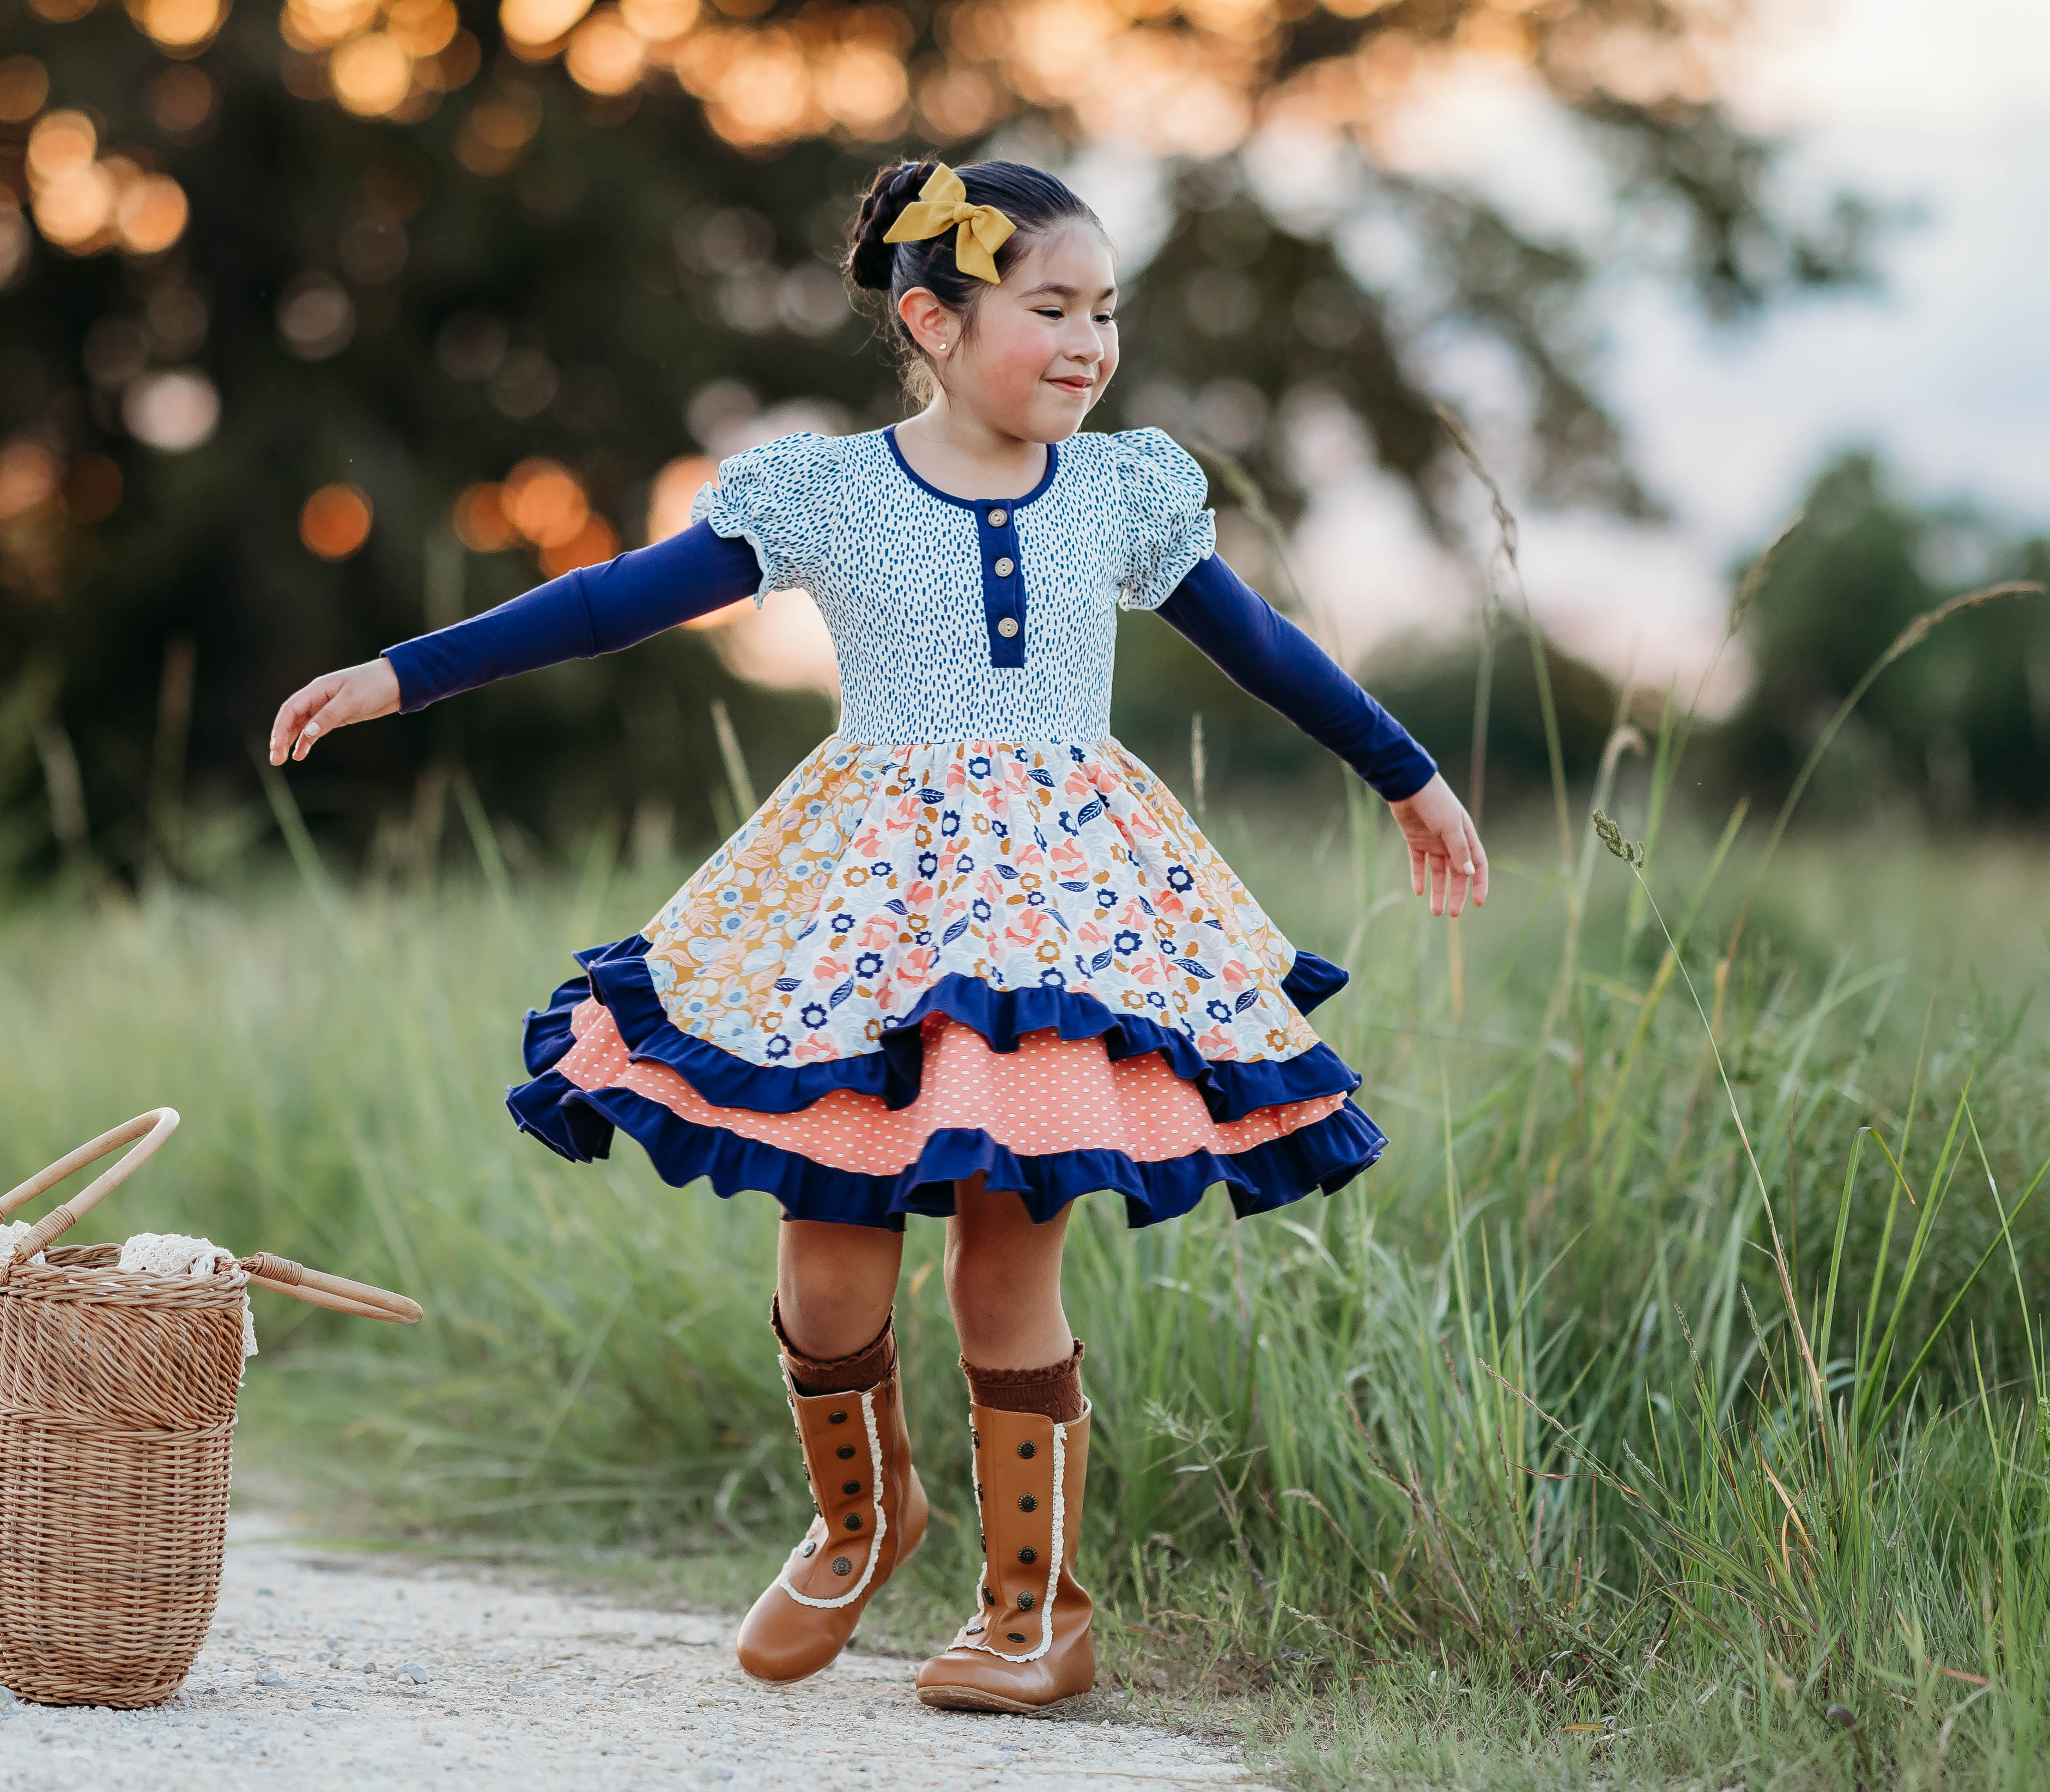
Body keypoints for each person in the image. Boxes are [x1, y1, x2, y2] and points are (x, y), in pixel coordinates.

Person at [268, 158, 1488, 1714]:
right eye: (1048, 309)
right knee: (831, 1258)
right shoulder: (828, 494)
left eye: (1103, 312)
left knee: (1004, 1260)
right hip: (860, 915)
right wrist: (397, 674)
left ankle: (1035, 1613)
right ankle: (861, 1523)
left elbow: (1265, 651)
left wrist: (1410, 777)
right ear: (929, 316)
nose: (1087, 343)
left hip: (1059, 925)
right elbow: (605, 605)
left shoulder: (1121, 491)